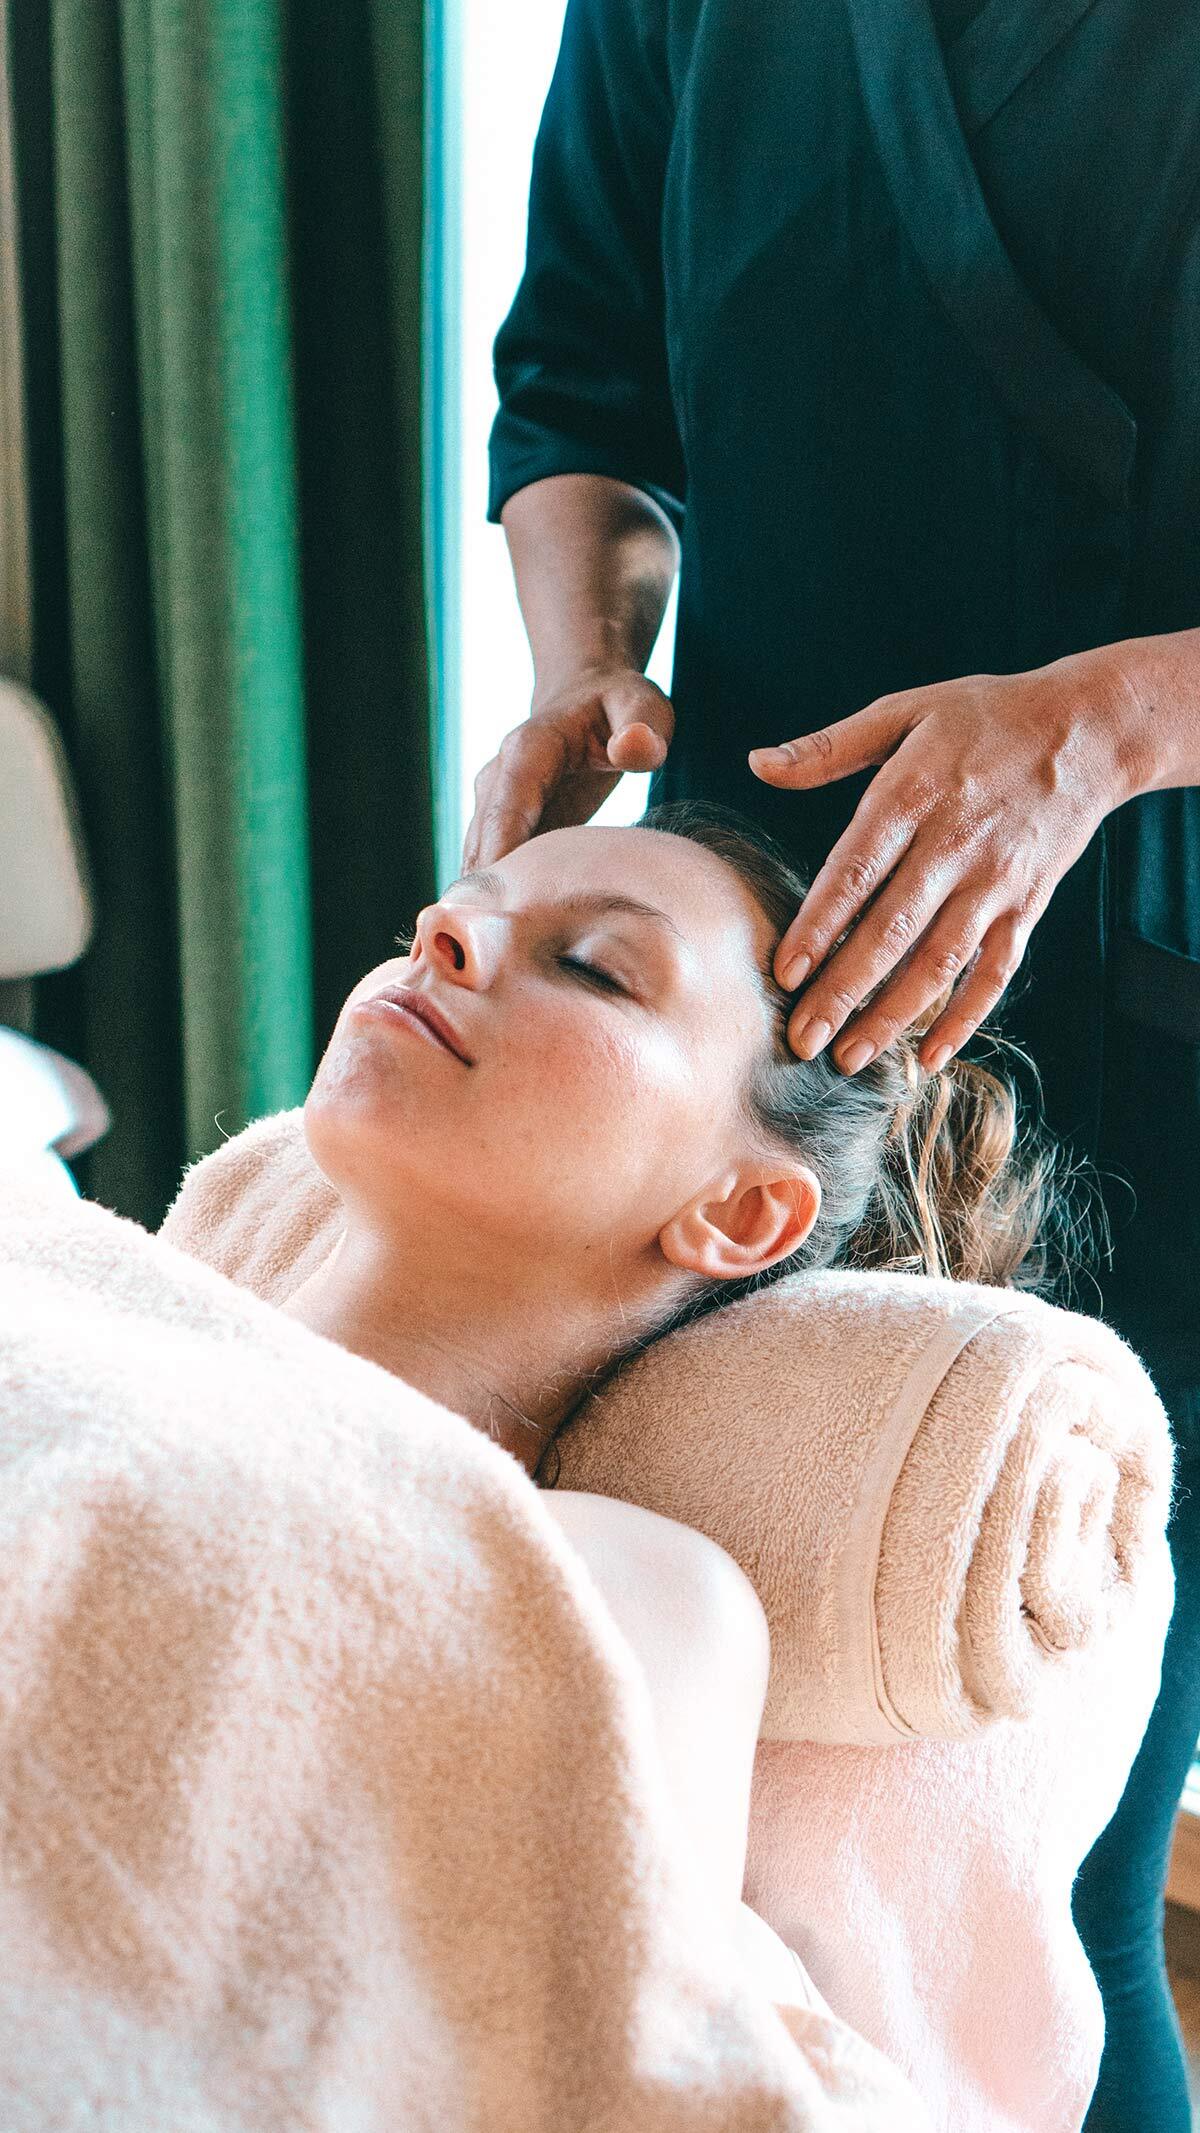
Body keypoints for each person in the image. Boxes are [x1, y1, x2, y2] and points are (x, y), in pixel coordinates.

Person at [475, 3, 1200, 2122]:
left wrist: (1109, 724)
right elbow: (585, 385)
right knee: (753, 1846)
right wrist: (590, 656)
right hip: (785, 1024)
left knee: (1041, 1855)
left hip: (1163, 1052)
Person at [279, 800, 1079, 2046]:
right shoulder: (83, 1295)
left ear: (741, 1213)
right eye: (453, 912)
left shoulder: (613, 1591)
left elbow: (605, 2077)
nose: (439, 933)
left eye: (596, 965)